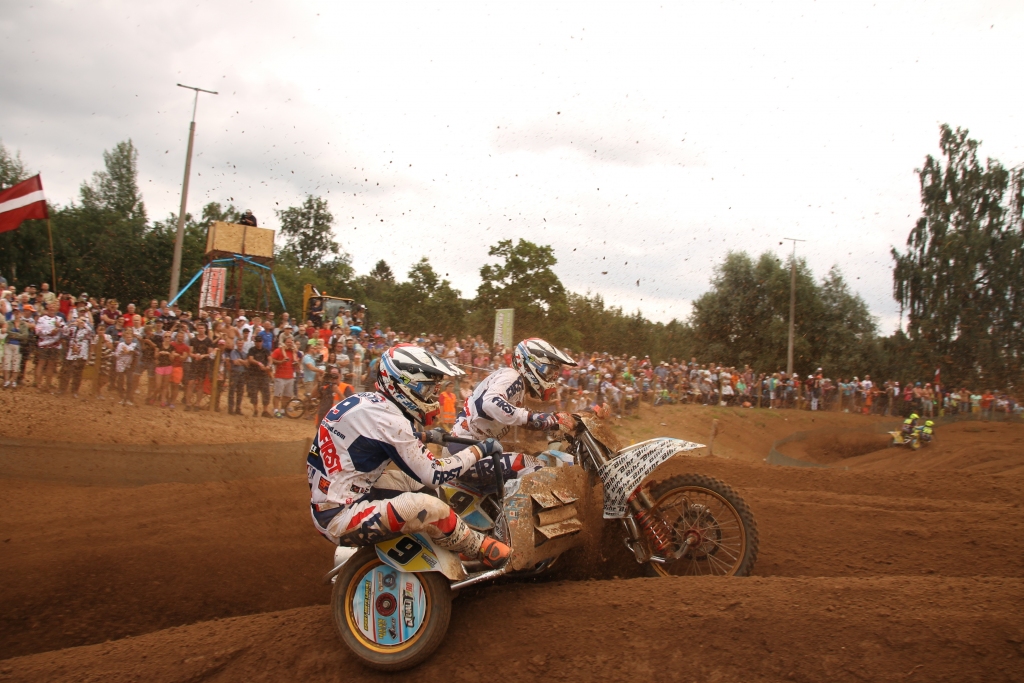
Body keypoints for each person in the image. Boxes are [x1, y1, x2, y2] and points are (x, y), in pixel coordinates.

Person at [307, 343, 510, 568]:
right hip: (340, 515)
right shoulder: (390, 419)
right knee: (431, 506)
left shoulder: (371, 402)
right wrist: (479, 449)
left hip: (339, 493)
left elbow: (377, 439)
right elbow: (434, 473)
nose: (433, 396)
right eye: (427, 389)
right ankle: (479, 548)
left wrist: (423, 436)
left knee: (414, 484)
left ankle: (447, 540)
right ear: (402, 386)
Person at [447, 338, 578, 479]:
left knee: (535, 458)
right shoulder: (512, 377)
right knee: (537, 468)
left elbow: (521, 418)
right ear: (530, 364)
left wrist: (553, 422)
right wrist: (536, 417)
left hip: (471, 449)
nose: (552, 378)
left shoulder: (517, 385)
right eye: (549, 371)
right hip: (465, 451)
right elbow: (490, 402)